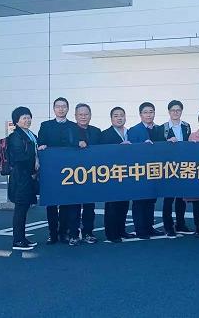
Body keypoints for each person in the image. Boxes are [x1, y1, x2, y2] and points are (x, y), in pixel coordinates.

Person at [38, 97, 78, 245]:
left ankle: (64, 232)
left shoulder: (74, 126)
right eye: (58, 106)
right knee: (52, 205)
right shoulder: (46, 126)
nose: (61, 109)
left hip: (69, 172)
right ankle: (52, 234)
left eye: (64, 106)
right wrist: (42, 146)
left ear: (68, 108)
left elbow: (76, 145)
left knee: (67, 203)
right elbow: (40, 143)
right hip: (51, 172)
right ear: (54, 109)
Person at [127, 102, 165, 239]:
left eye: (151, 112)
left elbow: (164, 147)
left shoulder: (159, 129)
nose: (149, 115)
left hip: (154, 171)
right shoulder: (133, 130)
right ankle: (140, 230)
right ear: (140, 114)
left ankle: (149, 227)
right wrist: (143, 147)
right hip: (140, 171)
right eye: (145, 112)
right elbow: (131, 151)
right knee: (139, 202)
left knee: (151, 201)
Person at [67, 103, 102, 246]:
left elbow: (104, 151)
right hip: (72, 175)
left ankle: (88, 232)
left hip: (91, 174)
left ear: (90, 115)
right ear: (75, 116)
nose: (83, 117)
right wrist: (77, 143)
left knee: (89, 207)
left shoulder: (96, 131)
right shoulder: (69, 130)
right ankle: (73, 234)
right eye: (80, 114)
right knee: (73, 207)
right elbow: (64, 146)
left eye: (86, 114)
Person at [8, 107, 40, 251]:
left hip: (28, 178)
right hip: (21, 178)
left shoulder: (30, 135)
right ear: (17, 121)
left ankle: (22, 238)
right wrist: (32, 170)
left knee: (24, 208)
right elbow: (19, 158)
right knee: (20, 209)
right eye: (24, 118)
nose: (27, 120)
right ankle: (17, 241)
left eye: (28, 117)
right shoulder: (15, 136)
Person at [101, 107, 134, 243]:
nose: (119, 118)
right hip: (111, 174)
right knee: (112, 205)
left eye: (121, 115)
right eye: (116, 115)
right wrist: (119, 147)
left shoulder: (129, 133)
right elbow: (103, 154)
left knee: (124, 204)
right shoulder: (105, 134)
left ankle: (121, 230)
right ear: (111, 118)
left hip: (126, 173)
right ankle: (111, 234)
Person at [162, 100, 193, 238]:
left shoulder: (186, 126)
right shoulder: (162, 128)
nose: (175, 112)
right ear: (169, 112)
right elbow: (158, 148)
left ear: (181, 111)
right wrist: (166, 143)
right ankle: (168, 226)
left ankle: (181, 224)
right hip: (168, 167)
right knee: (168, 198)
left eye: (178, 110)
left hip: (183, 166)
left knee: (181, 198)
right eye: (173, 110)